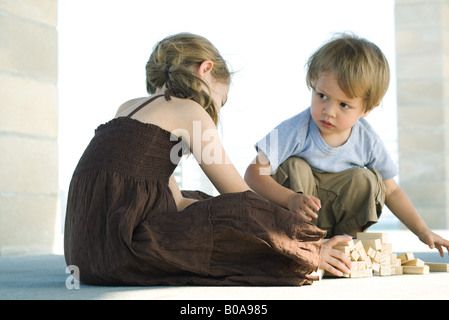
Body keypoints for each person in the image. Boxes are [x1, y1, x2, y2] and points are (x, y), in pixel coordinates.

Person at [64, 32, 352, 286]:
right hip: (122, 247)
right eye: (221, 100)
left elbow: (174, 201)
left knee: (202, 199)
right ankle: (308, 254)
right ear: (206, 69)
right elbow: (240, 196)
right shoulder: (190, 111)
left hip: (86, 253)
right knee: (234, 213)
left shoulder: (127, 107)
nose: (216, 109)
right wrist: (306, 242)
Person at [245, 33, 449, 257]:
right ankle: (303, 242)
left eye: (344, 104)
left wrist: (422, 231)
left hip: (337, 218)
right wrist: (290, 198)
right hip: (296, 217)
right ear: (313, 84)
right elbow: (253, 172)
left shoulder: (367, 140)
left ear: (367, 109)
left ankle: (347, 244)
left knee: (369, 179)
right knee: (294, 165)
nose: (328, 111)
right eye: (322, 95)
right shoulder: (292, 129)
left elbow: (392, 191)